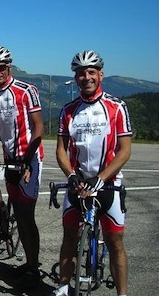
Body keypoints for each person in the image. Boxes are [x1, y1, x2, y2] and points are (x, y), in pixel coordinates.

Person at [52, 50, 132, 296]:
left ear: (100, 75)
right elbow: (61, 150)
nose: (86, 77)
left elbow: (124, 150)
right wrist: (71, 175)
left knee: (115, 243)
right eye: (80, 73)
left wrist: (102, 178)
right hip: (78, 184)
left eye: (91, 72)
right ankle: (64, 286)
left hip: (108, 183)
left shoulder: (116, 107)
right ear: (75, 78)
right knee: (69, 237)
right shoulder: (68, 110)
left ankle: (122, 294)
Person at [0, 46, 44, 289]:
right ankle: (28, 262)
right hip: (9, 159)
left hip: (30, 159)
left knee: (26, 214)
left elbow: (38, 128)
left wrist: (28, 159)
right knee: (19, 214)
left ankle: (33, 267)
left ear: (9, 67)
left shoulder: (26, 91)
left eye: (1, 67)